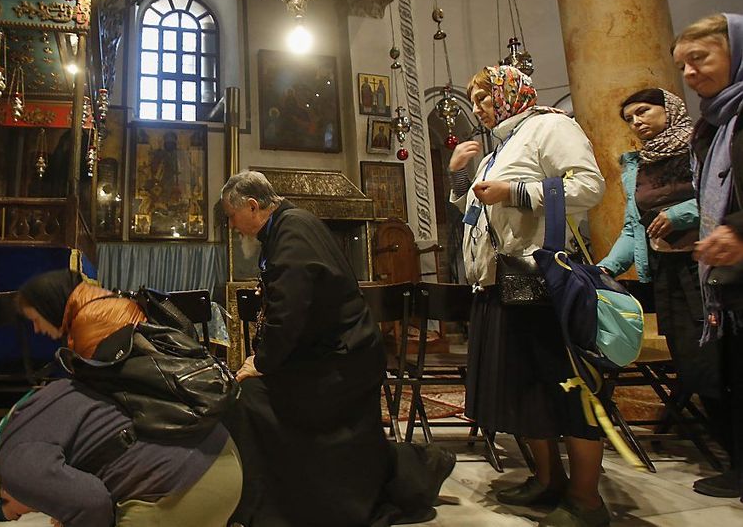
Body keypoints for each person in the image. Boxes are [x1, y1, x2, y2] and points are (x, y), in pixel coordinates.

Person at [220, 170, 454, 527]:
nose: (233, 227)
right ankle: (415, 467)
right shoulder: (293, 224)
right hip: (343, 356)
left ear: (252, 206)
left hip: (342, 365)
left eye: (232, 217)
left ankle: (272, 506)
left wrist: (262, 363)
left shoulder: (290, 235)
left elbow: (290, 312)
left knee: (251, 396)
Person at [449, 65, 606, 527]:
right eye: (474, 99)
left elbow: (588, 187)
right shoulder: (500, 147)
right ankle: (546, 479)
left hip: (543, 282)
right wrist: (461, 175)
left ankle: (586, 500)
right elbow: (478, 208)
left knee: (563, 387)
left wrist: (515, 192)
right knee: (523, 389)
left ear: (512, 91)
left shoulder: (552, 126)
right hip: (500, 283)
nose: (478, 107)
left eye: (484, 97)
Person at [0, 269, 242, 526]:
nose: (37, 329)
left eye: (35, 319)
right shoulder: (99, 303)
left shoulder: (91, 320)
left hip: (160, 423)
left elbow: (101, 395)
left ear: (48, 305)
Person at [598, 88, 722, 459]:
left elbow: (718, 197)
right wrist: (606, 267)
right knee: (691, 359)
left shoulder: (700, 146)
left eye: (644, 111)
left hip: (708, 265)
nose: (637, 122)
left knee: (721, 356)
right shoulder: (637, 165)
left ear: (669, 109)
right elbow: (635, 227)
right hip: (668, 271)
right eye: (630, 118)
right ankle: (723, 448)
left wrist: (680, 214)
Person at [673, 12, 743, 502]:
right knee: (735, 372)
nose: (690, 73)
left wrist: (738, 230)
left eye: (700, 59)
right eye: (682, 66)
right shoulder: (712, 124)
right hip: (730, 278)